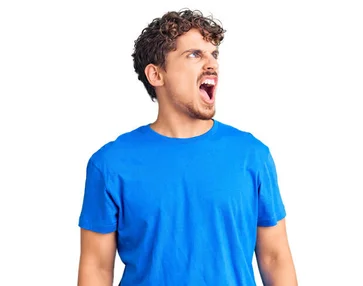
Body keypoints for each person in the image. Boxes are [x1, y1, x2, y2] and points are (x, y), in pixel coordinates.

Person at [76, 9, 297, 286]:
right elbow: (96, 267)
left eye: (213, 54)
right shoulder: (110, 164)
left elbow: (275, 258)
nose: (211, 64)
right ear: (156, 75)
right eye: (194, 54)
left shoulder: (252, 156)